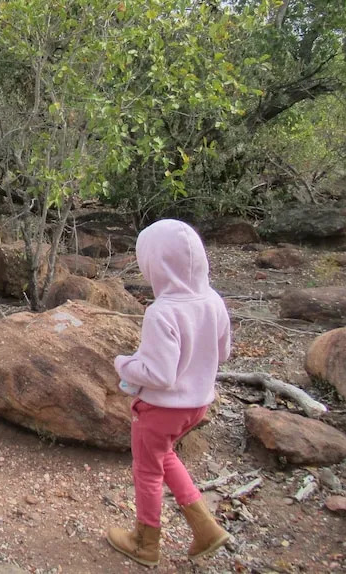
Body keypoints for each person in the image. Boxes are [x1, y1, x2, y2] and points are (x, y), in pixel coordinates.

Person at [107, 219, 232, 567]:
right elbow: (223, 353)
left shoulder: (162, 312)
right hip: (198, 404)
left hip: (161, 409)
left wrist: (124, 364)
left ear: (155, 264)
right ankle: (205, 526)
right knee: (165, 456)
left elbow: (159, 375)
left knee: (147, 471)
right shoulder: (213, 301)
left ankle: (145, 543)